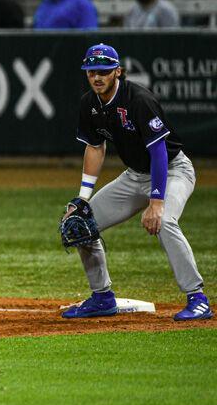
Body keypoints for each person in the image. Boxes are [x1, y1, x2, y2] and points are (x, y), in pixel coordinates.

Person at [62, 44, 210, 322]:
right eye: (92, 71)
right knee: (82, 223)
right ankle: (102, 297)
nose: (97, 77)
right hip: (134, 175)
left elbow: (158, 152)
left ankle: (197, 297)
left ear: (117, 71)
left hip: (172, 169)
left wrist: (156, 202)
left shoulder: (139, 100)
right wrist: (82, 198)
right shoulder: (89, 104)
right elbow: (95, 148)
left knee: (165, 221)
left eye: (104, 71)